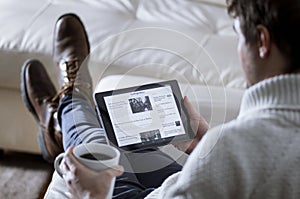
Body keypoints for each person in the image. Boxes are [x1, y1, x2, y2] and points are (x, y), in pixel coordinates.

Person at [21, 0, 300, 197]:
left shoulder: (235, 146)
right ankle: (63, 115)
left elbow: (255, 159)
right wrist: (205, 143)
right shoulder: (240, 144)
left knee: (95, 147)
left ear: (262, 42)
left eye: (239, 35)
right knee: (132, 141)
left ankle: (69, 100)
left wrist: (90, 195)